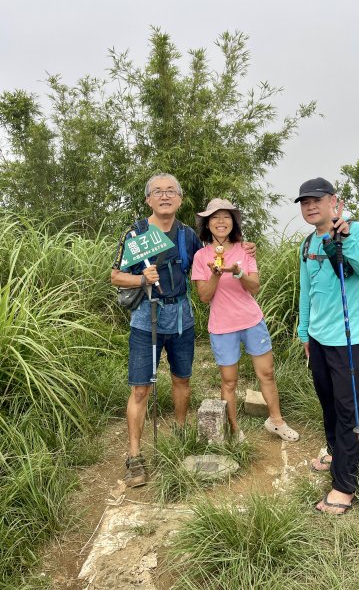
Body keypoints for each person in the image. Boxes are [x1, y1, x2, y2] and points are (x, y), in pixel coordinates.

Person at [111, 175, 255, 487]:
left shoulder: (188, 235)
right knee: (140, 389)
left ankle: (178, 433)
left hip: (181, 318)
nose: (165, 196)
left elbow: (214, 253)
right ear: (148, 199)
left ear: (180, 198)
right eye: (158, 192)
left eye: (171, 191)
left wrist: (243, 248)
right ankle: (134, 457)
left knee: (182, 380)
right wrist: (141, 279)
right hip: (144, 319)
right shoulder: (136, 233)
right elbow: (115, 275)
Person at [296, 177, 359, 514]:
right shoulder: (306, 244)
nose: (310, 206)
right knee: (328, 402)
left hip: (351, 339)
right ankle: (335, 450)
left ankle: (344, 486)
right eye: (305, 202)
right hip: (318, 339)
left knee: (350, 410)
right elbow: (306, 290)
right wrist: (304, 333)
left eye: (316, 200)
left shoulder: (356, 231)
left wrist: (344, 237)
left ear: (335, 202)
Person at [191, 198, 299, 443]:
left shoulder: (245, 250)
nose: (221, 221)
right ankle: (233, 430)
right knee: (229, 381)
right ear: (207, 224)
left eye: (226, 217)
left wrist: (238, 272)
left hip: (251, 320)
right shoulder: (201, 256)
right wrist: (216, 274)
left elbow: (255, 287)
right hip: (222, 326)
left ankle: (276, 421)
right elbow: (205, 296)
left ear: (233, 222)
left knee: (267, 373)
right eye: (215, 217)